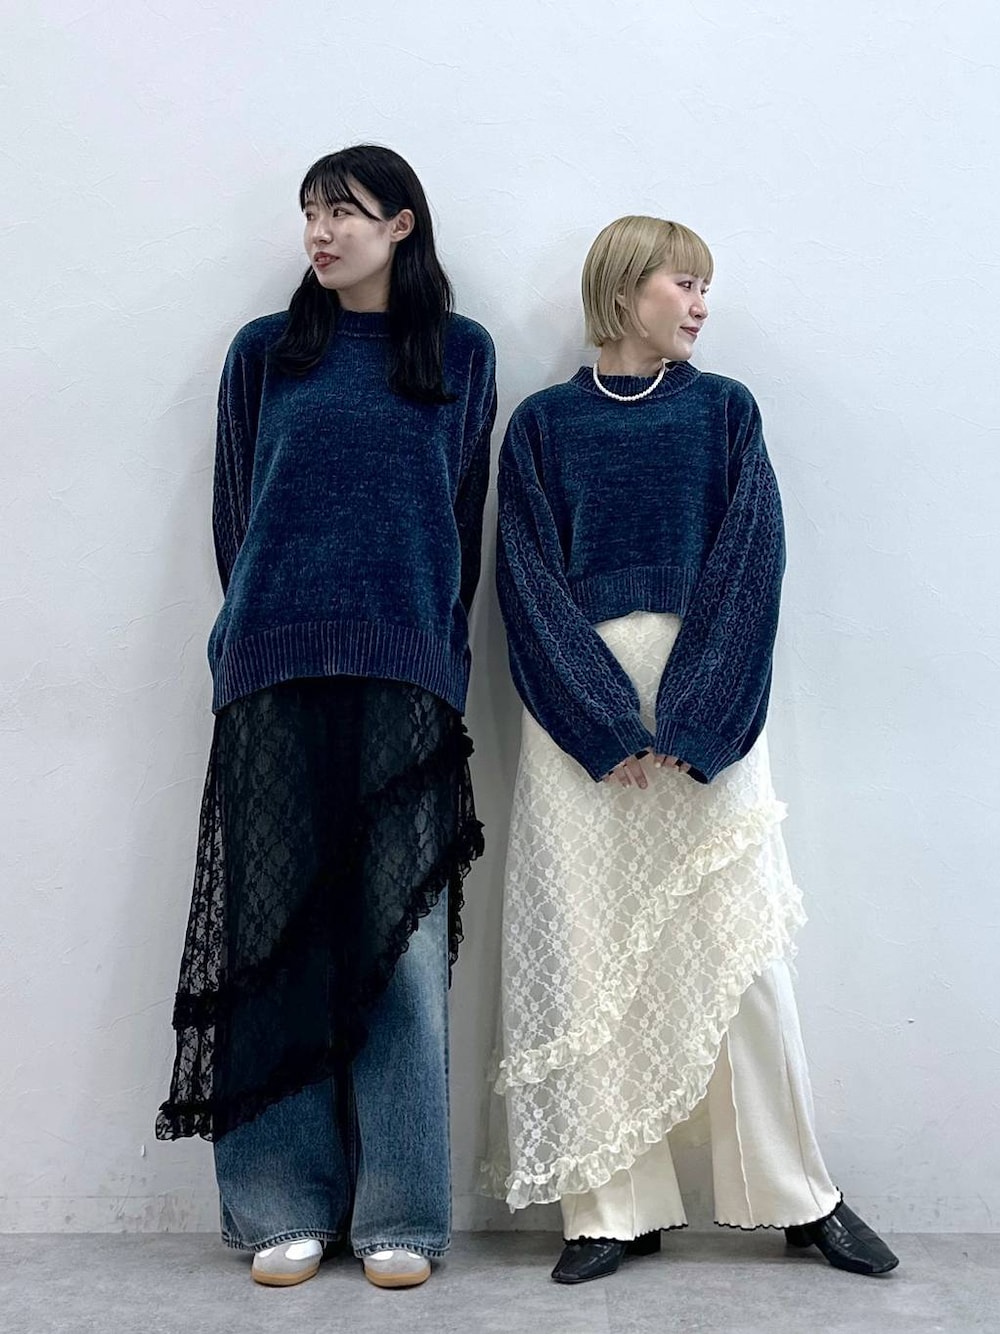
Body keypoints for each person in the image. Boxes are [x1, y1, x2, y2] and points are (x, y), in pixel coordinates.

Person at [483, 215, 898, 1284]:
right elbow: (526, 582)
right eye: (686, 283)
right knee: (587, 951)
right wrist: (601, 723)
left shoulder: (725, 411)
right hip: (579, 727)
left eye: (705, 287)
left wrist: (699, 721)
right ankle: (612, 1208)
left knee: (741, 954)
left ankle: (798, 1196)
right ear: (627, 289)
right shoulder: (542, 426)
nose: (702, 304)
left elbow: (752, 565)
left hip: (705, 711)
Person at [156, 144, 497, 1291]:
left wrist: (434, 654)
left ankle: (401, 1209)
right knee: (273, 941)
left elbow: (459, 517)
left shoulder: (459, 353)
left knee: (400, 944)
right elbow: (237, 512)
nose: (319, 230)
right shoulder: (265, 352)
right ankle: (279, 1202)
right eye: (308, 211)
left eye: (343, 211)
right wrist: (253, 632)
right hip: (273, 666)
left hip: (405, 672)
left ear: (401, 225)